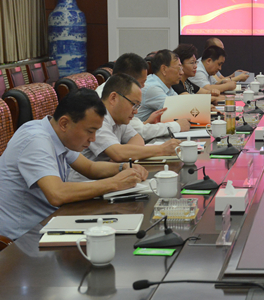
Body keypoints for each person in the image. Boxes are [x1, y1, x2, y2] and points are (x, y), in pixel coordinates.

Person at [0, 89, 149, 240]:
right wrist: (115, 183)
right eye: (90, 131)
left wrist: (123, 167)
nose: (93, 139)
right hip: (22, 238)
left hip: (50, 222)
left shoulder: (59, 135)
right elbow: (57, 193)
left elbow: (90, 168)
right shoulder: (35, 140)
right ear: (64, 123)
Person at [69, 74, 180, 182]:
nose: (136, 111)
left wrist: (122, 157)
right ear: (113, 98)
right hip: (86, 183)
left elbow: (137, 139)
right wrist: (161, 149)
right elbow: (118, 153)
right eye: (134, 104)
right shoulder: (97, 118)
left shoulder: (120, 118)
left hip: (108, 178)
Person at [97, 53, 190, 139]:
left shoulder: (118, 90)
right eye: (141, 82)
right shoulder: (104, 98)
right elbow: (141, 132)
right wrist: (176, 126)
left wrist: (145, 123)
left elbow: (135, 133)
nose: (143, 86)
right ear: (127, 79)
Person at [136, 49, 183, 122]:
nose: (182, 73)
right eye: (179, 68)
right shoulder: (152, 87)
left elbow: (181, 104)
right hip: (138, 128)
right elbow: (176, 112)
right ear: (164, 69)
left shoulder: (166, 86)